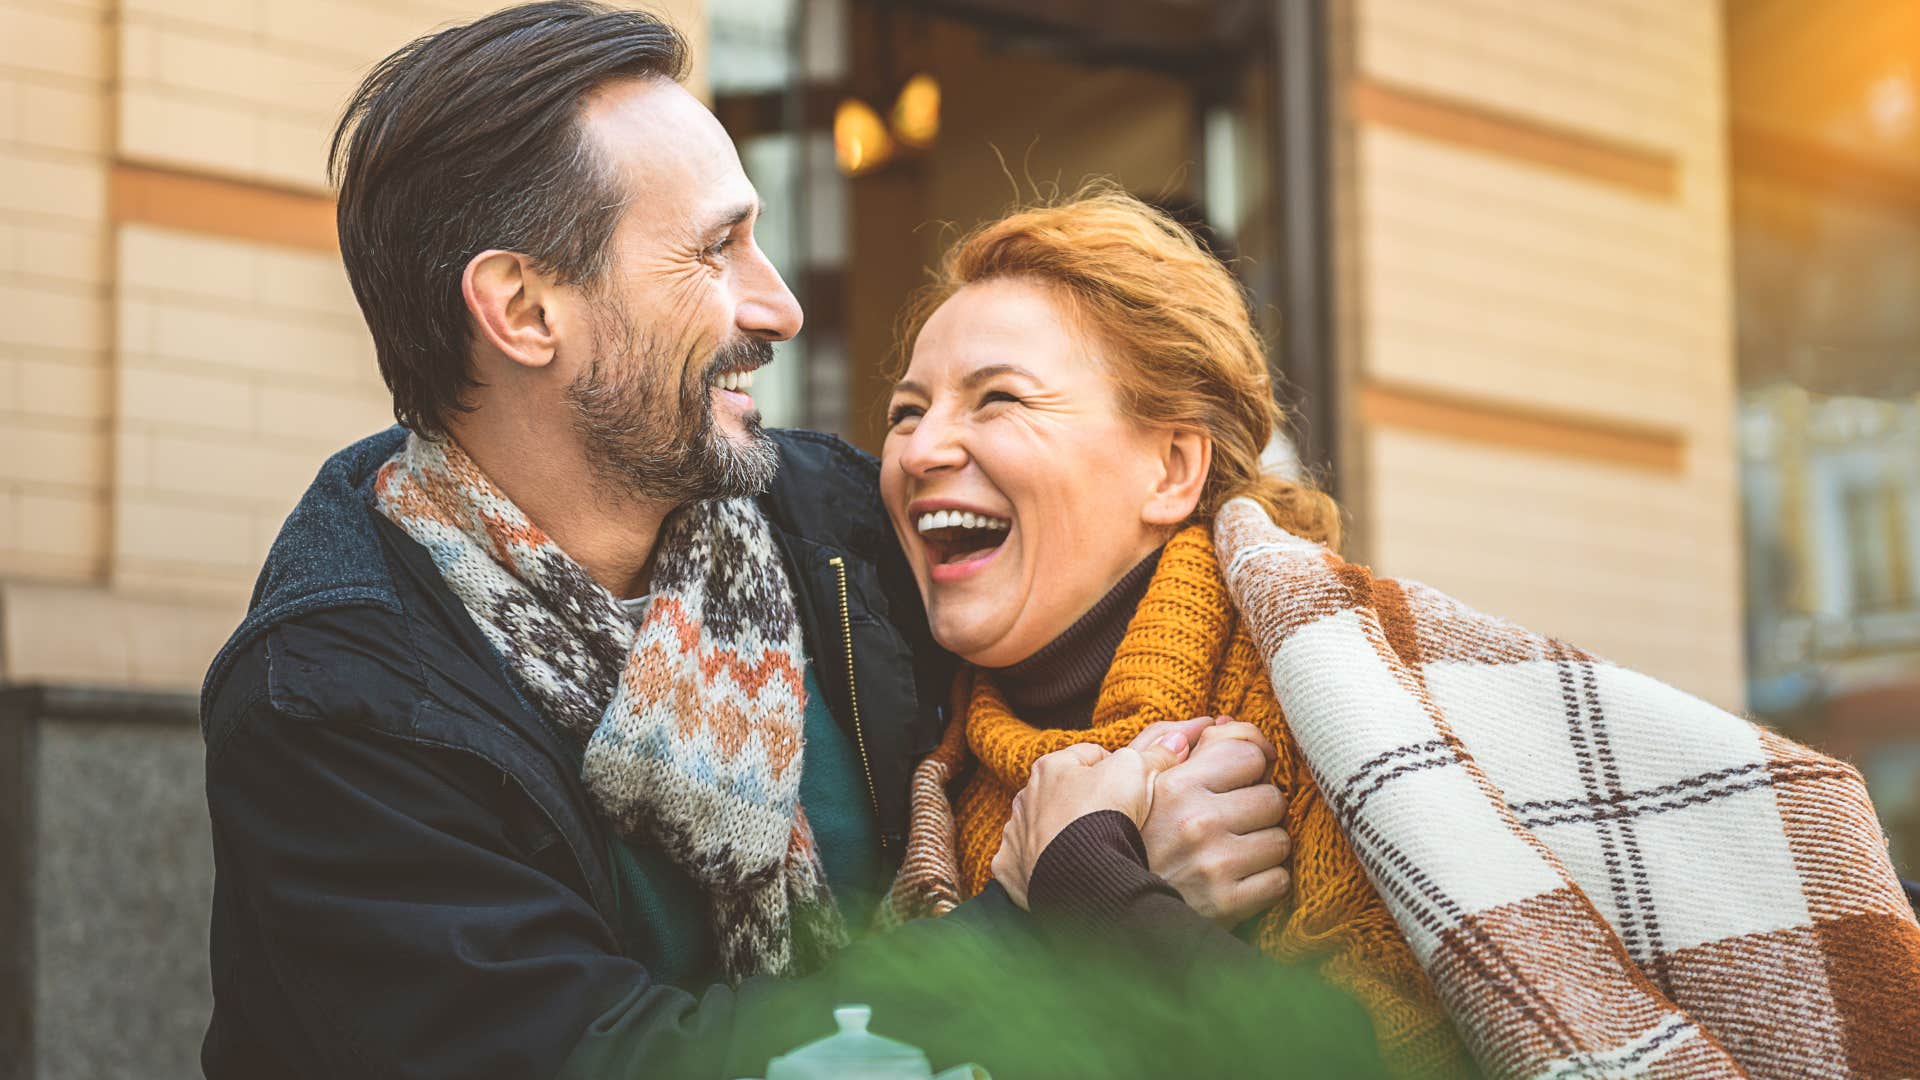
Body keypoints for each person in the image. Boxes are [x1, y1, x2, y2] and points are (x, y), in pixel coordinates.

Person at [198, 5, 1381, 1079]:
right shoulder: (336, 701)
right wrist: (1049, 912)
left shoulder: (835, 524)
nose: (780, 306)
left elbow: (1112, 579)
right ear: (523, 309)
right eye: (716, 251)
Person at [878, 188, 1920, 1078]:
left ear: (1172, 469)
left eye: (998, 399)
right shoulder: (921, 769)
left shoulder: (1361, 702)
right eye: (904, 412)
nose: (923, 448)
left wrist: (1088, 884)